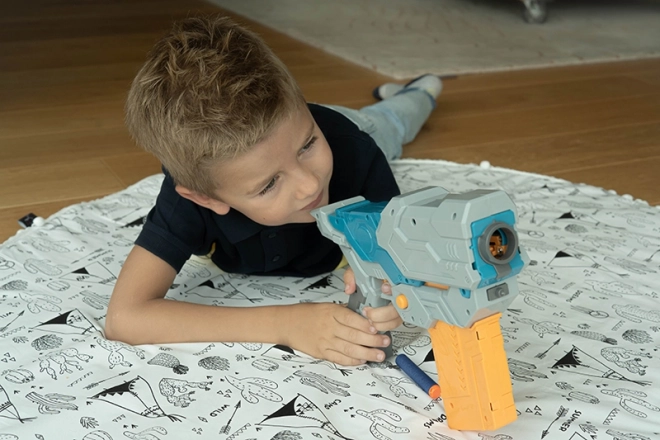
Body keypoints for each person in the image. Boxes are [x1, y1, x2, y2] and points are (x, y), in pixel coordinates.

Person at [105, 15, 442, 366]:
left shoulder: (353, 149)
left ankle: (417, 93)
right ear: (206, 198)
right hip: (300, 129)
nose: (310, 185)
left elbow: (402, 254)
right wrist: (287, 324)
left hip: (348, 126)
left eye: (308, 145)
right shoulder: (187, 202)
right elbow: (123, 318)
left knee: (390, 124)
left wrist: (390, 279)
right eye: (268, 184)